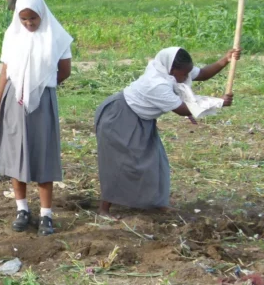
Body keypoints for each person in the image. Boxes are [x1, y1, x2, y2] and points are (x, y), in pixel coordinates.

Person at [95, 47, 237, 215]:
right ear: (172, 70)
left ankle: (155, 202)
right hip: (119, 117)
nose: (186, 78)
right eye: (183, 74)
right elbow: (182, 110)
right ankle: (104, 208)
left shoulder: (174, 70)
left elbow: (203, 74)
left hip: (141, 119)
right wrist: (217, 102)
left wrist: (225, 60)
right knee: (120, 163)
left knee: (155, 161)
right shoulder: (157, 84)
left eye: (188, 73)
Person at [0, 0, 73, 237]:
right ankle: (22, 209)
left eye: (33, 19)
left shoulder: (56, 37)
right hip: (14, 101)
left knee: (43, 154)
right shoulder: (12, 36)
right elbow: (5, 73)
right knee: (17, 155)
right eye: (23, 19)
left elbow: (65, 71)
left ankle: (46, 214)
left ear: (42, 14)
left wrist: (40, 84)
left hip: (42, 101)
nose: (28, 24)